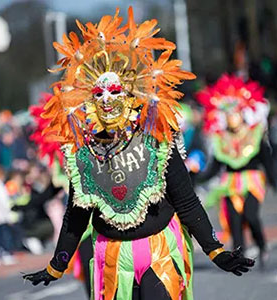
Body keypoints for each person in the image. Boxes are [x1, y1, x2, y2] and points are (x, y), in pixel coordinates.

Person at [23, 8, 254, 299]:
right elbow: (76, 214)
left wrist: (215, 250)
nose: (107, 101)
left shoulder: (156, 142)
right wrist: (57, 264)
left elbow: (186, 201)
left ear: (131, 97)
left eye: (115, 91)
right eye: (99, 95)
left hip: (159, 250)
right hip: (113, 256)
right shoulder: (85, 154)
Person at [196, 74, 276, 268]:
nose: (232, 118)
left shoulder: (255, 135)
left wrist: (275, 183)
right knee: (234, 220)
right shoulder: (221, 139)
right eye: (228, 115)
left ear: (241, 113)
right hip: (230, 183)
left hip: (252, 182)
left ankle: (262, 245)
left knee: (250, 214)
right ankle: (240, 255)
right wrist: (192, 177)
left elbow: (268, 164)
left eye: (235, 113)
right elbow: (214, 168)